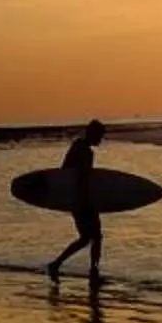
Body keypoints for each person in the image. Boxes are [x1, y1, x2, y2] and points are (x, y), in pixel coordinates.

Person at [45, 119, 109, 283]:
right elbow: (82, 178)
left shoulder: (78, 146)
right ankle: (91, 271)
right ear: (93, 134)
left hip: (76, 199)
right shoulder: (84, 151)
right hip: (82, 200)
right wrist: (86, 201)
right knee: (93, 237)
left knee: (89, 238)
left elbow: (65, 172)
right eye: (100, 136)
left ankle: (59, 264)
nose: (101, 139)